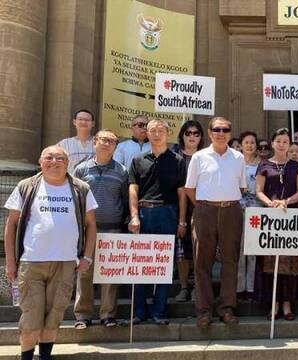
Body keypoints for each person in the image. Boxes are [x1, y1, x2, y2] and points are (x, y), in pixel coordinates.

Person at [4, 145, 98, 360]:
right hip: (31, 261)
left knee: (54, 315)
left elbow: (91, 224)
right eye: (49, 157)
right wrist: (10, 261)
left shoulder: (81, 188)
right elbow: (11, 225)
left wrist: (87, 256)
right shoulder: (26, 186)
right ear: (40, 161)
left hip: (66, 263)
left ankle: (45, 356)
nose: (54, 161)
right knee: (31, 318)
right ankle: (27, 357)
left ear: (68, 163)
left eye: (60, 158)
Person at [185, 117, 245, 327]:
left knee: (230, 261)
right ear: (210, 133)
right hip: (205, 211)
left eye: (225, 129)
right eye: (217, 129)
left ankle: (227, 308)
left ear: (230, 133)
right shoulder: (199, 157)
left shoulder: (238, 157)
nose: (221, 132)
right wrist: (204, 205)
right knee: (203, 262)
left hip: (231, 211)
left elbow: (242, 187)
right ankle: (204, 310)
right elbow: (190, 188)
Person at [128, 119, 187, 325]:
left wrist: (182, 221)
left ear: (168, 133)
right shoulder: (137, 160)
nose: (156, 134)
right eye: (152, 130)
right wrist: (134, 216)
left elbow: (182, 194)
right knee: (140, 265)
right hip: (144, 213)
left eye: (160, 130)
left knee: (163, 265)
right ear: (147, 133)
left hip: (168, 213)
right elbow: (133, 190)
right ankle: (139, 311)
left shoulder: (178, 160)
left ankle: (159, 312)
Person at [73, 130, 128, 329]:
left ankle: (108, 315)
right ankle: (83, 316)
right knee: (85, 272)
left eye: (112, 141)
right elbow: (76, 200)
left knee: (111, 274)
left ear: (115, 146)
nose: (107, 144)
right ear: (95, 142)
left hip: (113, 229)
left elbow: (124, 199)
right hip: (87, 231)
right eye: (103, 140)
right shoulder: (80, 170)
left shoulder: (122, 170)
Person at [255, 128, 298, 320]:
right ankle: (273, 304)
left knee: (290, 262)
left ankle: (287, 304)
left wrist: (287, 201)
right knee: (271, 262)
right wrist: (271, 203)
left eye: (286, 141)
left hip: (291, 216)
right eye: (279, 141)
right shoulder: (264, 165)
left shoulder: (296, 165)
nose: (282, 144)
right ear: (273, 143)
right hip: (270, 217)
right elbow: (258, 190)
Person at [172, 121, 205, 302]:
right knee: (181, 250)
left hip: (201, 206)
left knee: (198, 249)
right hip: (177, 208)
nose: (192, 136)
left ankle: (196, 286)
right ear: (182, 135)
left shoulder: (206, 156)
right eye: (188, 133)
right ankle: (184, 287)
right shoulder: (174, 156)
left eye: (196, 133)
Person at [237, 131, 260, 299]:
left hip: (255, 208)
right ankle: (239, 287)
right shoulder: (235, 163)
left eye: (252, 142)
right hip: (237, 208)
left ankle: (251, 287)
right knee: (239, 250)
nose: (249, 145)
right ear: (241, 145)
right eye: (246, 142)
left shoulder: (262, 164)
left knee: (252, 248)